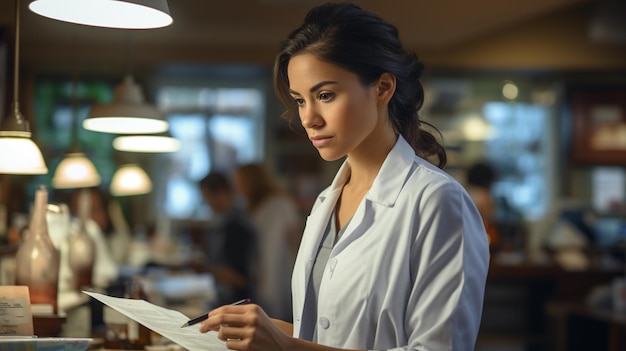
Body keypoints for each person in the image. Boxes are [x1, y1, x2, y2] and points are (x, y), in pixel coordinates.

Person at [199, 3, 490, 351]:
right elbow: (335, 332)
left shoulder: (438, 201)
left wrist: (286, 347)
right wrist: (275, 332)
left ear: (382, 88)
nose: (309, 118)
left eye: (325, 95)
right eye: (300, 100)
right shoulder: (326, 201)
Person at [233, 162, 302, 321]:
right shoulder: (252, 206)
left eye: (240, 182)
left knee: (278, 317)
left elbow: (295, 239)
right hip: (260, 270)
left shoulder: (281, 204)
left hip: (279, 268)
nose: (237, 187)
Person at [196, 171, 258, 306]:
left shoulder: (236, 226)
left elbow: (241, 278)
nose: (207, 203)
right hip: (226, 299)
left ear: (221, 192)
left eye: (207, 197)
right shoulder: (224, 222)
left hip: (237, 303)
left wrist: (205, 268)